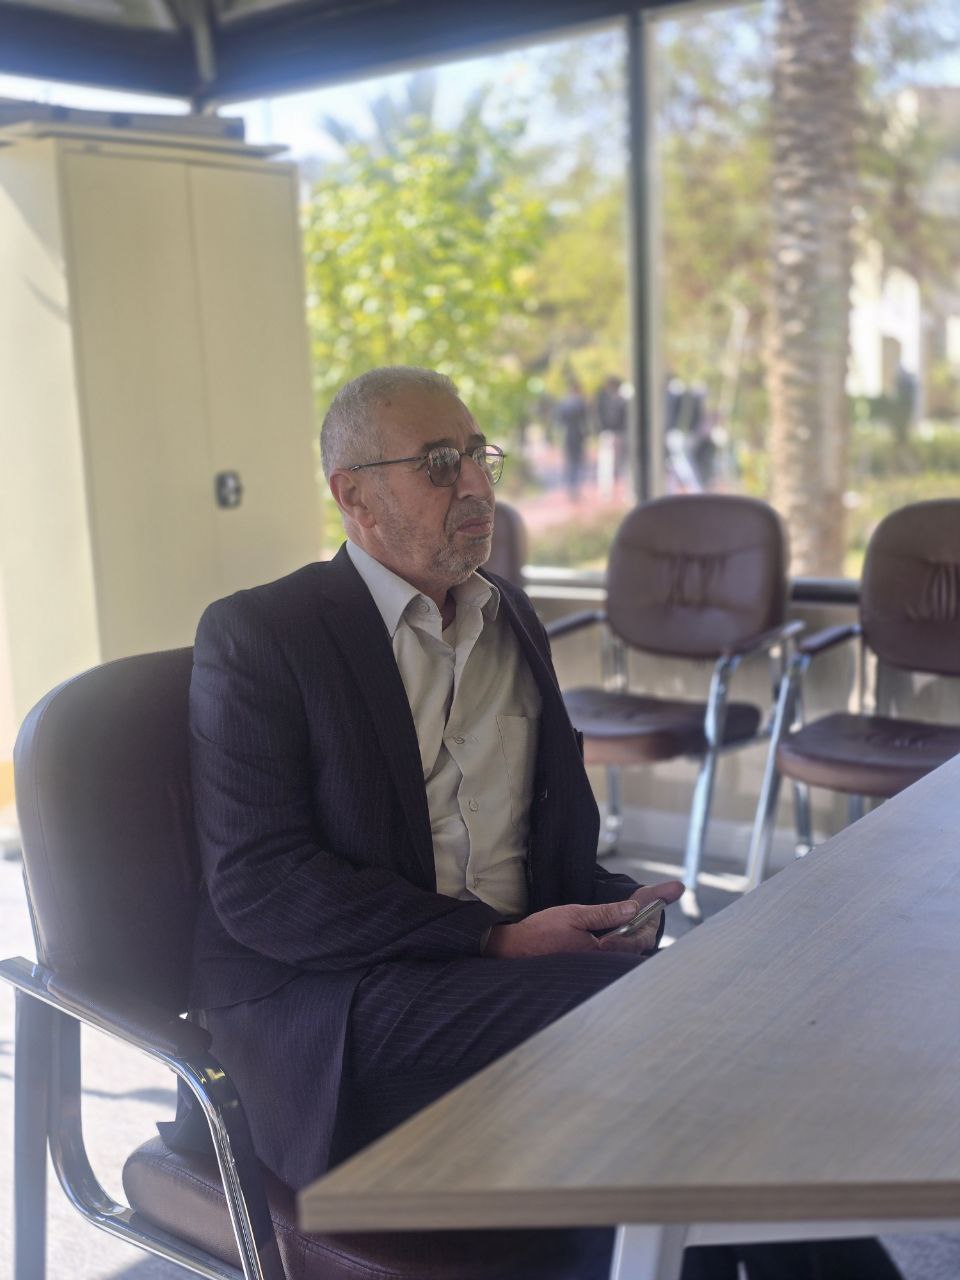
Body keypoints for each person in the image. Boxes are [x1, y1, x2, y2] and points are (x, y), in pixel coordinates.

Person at [175, 366, 901, 1280]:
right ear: (353, 496)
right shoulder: (262, 635)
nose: (476, 486)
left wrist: (609, 906)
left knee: (710, 1064)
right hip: (342, 1010)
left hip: (498, 986)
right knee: (668, 1040)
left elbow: (545, 836)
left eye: (478, 455)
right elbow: (261, 890)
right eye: (438, 464)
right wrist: (492, 940)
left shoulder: (509, 615)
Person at [555, 378, 589, 500]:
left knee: (570, 462)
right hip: (577, 435)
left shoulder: (564, 403)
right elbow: (585, 420)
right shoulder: (580, 402)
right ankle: (575, 488)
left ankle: (571, 487)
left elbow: (560, 419)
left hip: (568, 435)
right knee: (577, 462)